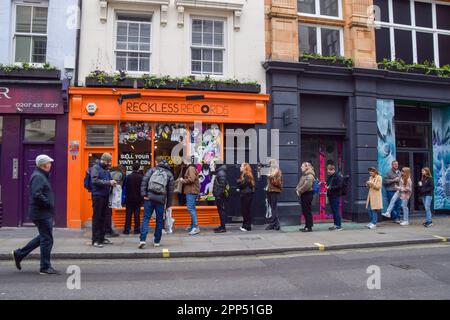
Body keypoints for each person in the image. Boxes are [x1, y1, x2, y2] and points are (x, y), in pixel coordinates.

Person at [12, 155, 60, 275]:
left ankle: (19, 254)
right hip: (41, 213)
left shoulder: (41, 175)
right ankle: (45, 267)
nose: (50, 165)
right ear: (44, 165)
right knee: (47, 239)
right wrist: (48, 203)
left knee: (44, 237)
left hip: (42, 212)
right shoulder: (38, 176)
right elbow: (36, 194)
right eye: (49, 163)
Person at [139, 157, 174, 248]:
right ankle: (157, 241)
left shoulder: (152, 170)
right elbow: (170, 191)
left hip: (149, 198)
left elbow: (144, 182)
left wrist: (144, 195)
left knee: (146, 219)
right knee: (159, 220)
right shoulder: (169, 174)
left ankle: (142, 240)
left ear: (157, 162)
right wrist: (168, 204)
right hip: (161, 200)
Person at [91, 153, 117, 248]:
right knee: (97, 218)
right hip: (98, 196)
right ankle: (95, 240)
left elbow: (109, 180)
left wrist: (113, 182)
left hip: (105, 196)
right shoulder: (95, 168)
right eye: (108, 161)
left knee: (103, 218)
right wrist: (108, 182)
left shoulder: (106, 169)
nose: (109, 163)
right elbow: (94, 181)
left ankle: (102, 238)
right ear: (103, 160)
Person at [181, 159, 201, 235]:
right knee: (192, 208)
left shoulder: (191, 168)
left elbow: (191, 179)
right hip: (191, 191)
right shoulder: (191, 167)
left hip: (191, 191)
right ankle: (192, 226)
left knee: (190, 208)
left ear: (186, 160)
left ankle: (196, 227)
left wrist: (183, 180)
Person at [123, 162, 143, 235]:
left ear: (132, 168)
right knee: (137, 215)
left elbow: (124, 187)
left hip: (129, 198)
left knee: (128, 214)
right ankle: (137, 230)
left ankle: (126, 230)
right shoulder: (141, 177)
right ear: (139, 168)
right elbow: (142, 189)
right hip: (138, 199)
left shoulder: (128, 177)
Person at [296, 162, 315, 232]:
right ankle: (307, 226)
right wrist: (297, 189)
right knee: (305, 211)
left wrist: (299, 191)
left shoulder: (310, 175)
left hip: (307, 194)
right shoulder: (304, 175)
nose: (301, 167)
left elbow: (307, 185)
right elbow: (301, 183)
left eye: (302, 166)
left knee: (307, 211)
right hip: (304, 194)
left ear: (307, 167)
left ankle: (309, 227)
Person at [265, 159, 283, 231]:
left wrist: (270, 177)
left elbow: (278, 183)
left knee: (273, 208)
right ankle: (277, 224)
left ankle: (273, 224)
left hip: (275, 191)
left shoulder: (278, 172)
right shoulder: (271, 171)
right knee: (273, 208)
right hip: (269, 191)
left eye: (269, 164)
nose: (269, 166)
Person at [237, 163, 255, 232]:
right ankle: (245, 225)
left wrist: (238, 182)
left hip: (246, 195)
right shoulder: (246, 174)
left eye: (241, 166)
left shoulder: (246, 175)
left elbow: (243, 184)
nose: (240, 167)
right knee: (245, 211)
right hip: (246, 194)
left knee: (246, 211)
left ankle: (247, 227)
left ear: (245, 167)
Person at [326, 164, 343, 231]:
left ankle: (338, 226)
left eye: (329, 170)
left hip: (335, 195)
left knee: (336, 211)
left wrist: (330, 188)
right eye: (327, 170)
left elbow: (339, 186)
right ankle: (335, 225)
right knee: (334, 210)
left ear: (333, 170)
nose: (328, 172)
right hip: (331, 195)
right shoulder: (330, 176)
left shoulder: (337, 176)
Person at [212, 164, 228, 233]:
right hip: (219, 195)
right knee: (220, 211)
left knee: (221, 211)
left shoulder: (221, 173)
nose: (214, 166)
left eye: (215, 165)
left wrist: (218, 195)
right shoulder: (220, 172)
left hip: (220, 196)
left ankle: (223, 227)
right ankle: (222, 226)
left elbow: (222, 185)